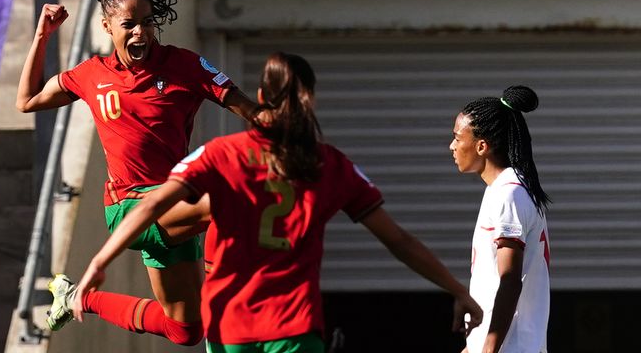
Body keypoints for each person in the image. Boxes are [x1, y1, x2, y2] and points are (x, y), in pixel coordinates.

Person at [72, 52, 483, 352]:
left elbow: (148, 206)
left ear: (260, 95)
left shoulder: (220, 154)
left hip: (231, 329)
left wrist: (98, 263)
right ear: (311, 100)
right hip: (294, 327)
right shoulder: (329, 164)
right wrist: (456, 289)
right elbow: (399, 241)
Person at [15, 0, 256, 345]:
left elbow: (244, 106)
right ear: (108, 26)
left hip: (174, 205)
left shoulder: (183, 65)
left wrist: (276, 124)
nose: (140, 32)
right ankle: (231, 305)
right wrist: (42, 36)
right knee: (228, 200)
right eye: (129, 24)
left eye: (148, 22)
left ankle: (76, 298)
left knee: (185, 330)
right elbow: (28, 99)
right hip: (129, 210)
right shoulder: (92, 75)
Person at [450, 86, 551, 353]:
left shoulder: (510, 194)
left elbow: (509, 280)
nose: (452, 146)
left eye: (457, 138)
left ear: (481, 146)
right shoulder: (503, 190)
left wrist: (488, 349)